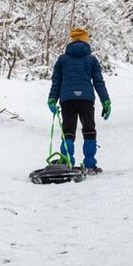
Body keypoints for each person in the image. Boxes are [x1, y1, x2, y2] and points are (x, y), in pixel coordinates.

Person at [47, 28, 111, 174]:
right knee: (89, 130)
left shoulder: (62, 60)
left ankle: (67, 162)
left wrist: (52, 99)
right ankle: (89, 165)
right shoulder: (91, 60)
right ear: (85, 40)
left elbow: (56, 81)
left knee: (68, 131)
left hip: (67, 99)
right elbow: (99, 82)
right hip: (86, 99)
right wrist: (106, 101)